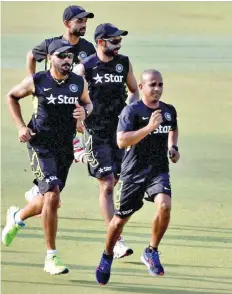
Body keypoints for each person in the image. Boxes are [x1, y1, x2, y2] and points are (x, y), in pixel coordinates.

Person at [2, 39, 93, 275]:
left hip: (65, 147)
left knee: (48, 200)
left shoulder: (77, 82)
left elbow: (88, 104)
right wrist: (21, 126)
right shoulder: (37, 81)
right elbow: (11, 96)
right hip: (40, 144)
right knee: (52, 194)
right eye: (61, 56)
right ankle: (51, 257)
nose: (67, 61)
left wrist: (85, 112)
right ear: (50, 58)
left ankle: (17, 216)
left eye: (70, 57)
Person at [95, 69, 179, 285]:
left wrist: (173, 147)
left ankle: (151, 251)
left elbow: (172, 128)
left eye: (160, 84)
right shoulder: (131, 111)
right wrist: (149, 128)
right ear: (141, 87)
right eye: (152, 84)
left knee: (165, 206)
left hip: (158, 171)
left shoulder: (168, 110)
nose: (157, 89)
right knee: (119, 220)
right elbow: (122, 141)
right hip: (133, 174)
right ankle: (107, 255)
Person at [72, 23, 139, 259]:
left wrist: (130, 112)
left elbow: (134, 90)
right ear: (101, 42)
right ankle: (116, 240)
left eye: (120, 41)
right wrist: (77, 116)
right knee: (108, 183)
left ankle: (80, 156)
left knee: (117, 179)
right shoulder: (85, 68)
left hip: (119, 133)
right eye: (114, 41)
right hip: (95, 132)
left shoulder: (124, 63)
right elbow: (72, 95)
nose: (119, 45)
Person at [23, 4, 96, 207]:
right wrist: (32, 82)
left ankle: (42, 188)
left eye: (85, 21)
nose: (84, 25)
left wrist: (84, 107)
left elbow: (86, 79)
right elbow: (31, 56)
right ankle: (44, 187)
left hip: (72, 99)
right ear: (67, 23)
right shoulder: (51, 44)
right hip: (49, 102)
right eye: (79, 21)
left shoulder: (88, 48)